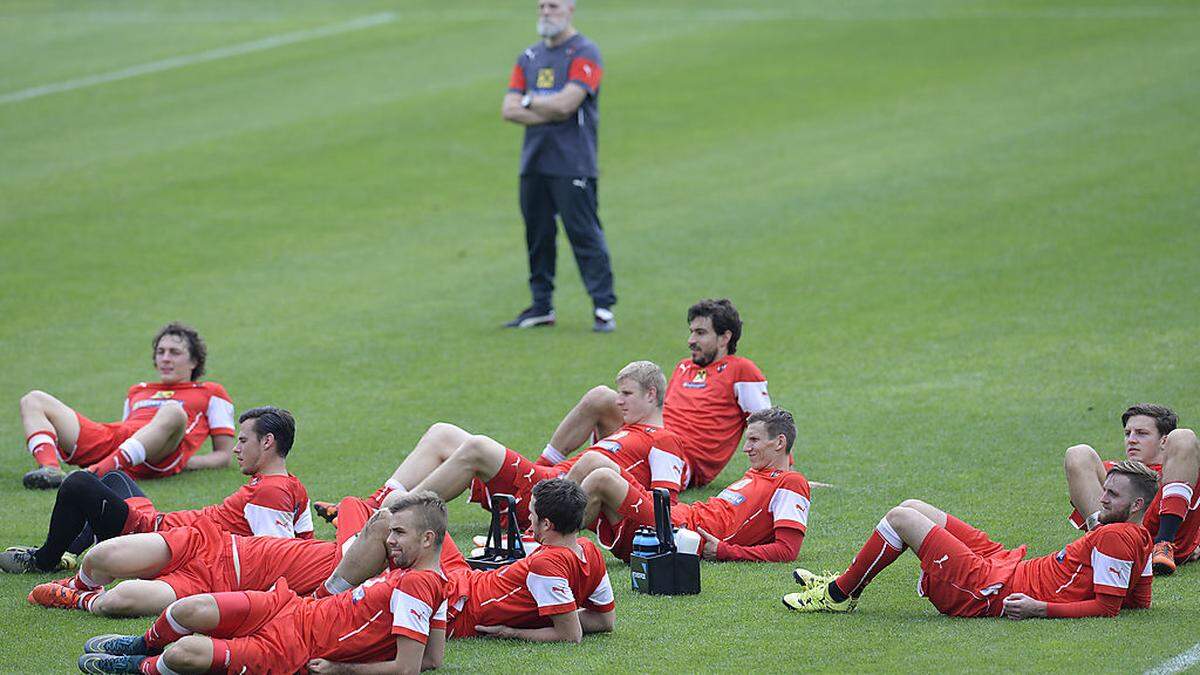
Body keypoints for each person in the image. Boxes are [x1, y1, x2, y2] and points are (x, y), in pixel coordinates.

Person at [76, 492, 451, 675]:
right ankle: (143, 645)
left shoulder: (418, 586)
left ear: (428, 539)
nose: (390, 541)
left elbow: (409, 667)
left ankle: (142, 667)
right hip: (292, 606)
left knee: (183, 653)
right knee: (190, 608)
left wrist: (343, 668)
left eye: (400, 534)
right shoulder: (433, 581)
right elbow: (433, 659)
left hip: (294, 647)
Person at [314, 361, 689, 532]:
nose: (619, 401)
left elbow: (663, 509)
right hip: (547, 478)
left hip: (553, 497)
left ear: (652, 395)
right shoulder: (627, 428)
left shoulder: (666, 441)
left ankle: (395, 514)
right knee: (443, 432)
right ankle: (373, 503)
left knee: (477, 446)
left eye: (627, 394)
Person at [784, 460, 1158, 618]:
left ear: (1137, 504)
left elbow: (1108, 608)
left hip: (990, 589)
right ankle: (846, 581)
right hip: (1007, 564)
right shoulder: (1138, 535)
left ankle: (839, 594)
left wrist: (1039, 609)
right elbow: (1139, 601)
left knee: (901, 519)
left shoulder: (1117, 537)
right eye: (1105, 490)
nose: (1102, 499)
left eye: (1113, 496)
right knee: (913, 504)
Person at [1, 407, 311, 575]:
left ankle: (44, 560)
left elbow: (277, 559)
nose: (236, 449)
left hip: (159, 542)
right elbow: (306, 543)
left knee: (77, 483)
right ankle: (76, 547)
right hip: (164, 527)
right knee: (115, 478)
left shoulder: (270, 492)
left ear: (267, 442)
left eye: (243, 441)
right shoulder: (292, 485)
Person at [539, 298, 770, 486]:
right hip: (650, 433)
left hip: (676, 457)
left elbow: (766, 423)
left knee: (606, 457)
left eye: (700, 333)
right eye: (691, 332)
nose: (691, 340)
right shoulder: (684, 367)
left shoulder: (741, 370)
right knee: (599, 396)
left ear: (725, 337)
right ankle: (542, 467)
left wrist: (782, 470)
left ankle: (546, 484)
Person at [501, 0, 615, 332]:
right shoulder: (529, 57)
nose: (546, 12)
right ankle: (541, 306)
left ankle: (603, 305)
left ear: (570, 9)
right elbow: (508, 109)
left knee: (583, 232)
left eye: (553, 6)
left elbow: (568, 104)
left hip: (572, 162)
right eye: (541, 7)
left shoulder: (584, 53)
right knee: (538, 234)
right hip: (534, 162)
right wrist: (543, 107)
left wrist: (529, 101)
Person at [19, 322, 235, 489]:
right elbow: (130, 432)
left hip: (164, 452)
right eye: (161, 352)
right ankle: (50, 469)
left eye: (174, 352)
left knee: (172, 410)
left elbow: (224, 456)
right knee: (33, 399)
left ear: (194, 361)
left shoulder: (211, 391)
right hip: (123, 444)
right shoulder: (137, 390)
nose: (165, 358)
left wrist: (186, 463)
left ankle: (96, 473)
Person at [581, 407, 810, 562]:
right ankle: (551, 537)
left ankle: (551, 542)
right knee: (597, 462)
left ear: (779, 442)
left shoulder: (790, 482)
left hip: (678, 532)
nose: (746, 448)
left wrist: (724, 551)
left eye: (754, 440)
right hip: (674, 517)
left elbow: (787, 550)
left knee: (602, 477)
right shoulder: (755, 474)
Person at [1063, 403, 1200, 574]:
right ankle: (1104, 544)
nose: (1132, 439)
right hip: (1123, 541)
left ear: (1164, 441)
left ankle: (1164, 544)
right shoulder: (1113, 471)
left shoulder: (1187, 468)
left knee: (1184, 436)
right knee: (1077, 453)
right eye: (1128, 433)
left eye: (1142, 433)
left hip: (1171, 545)